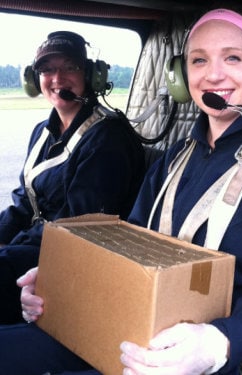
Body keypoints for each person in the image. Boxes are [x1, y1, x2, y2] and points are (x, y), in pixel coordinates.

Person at [0, 7, 242, 375]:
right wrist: (63, 279)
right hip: (139, 333)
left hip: (236, 358)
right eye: (199, 60)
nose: (213, 74)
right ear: (183, 76)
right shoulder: (176, 159)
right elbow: (125, 248)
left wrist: (219, 342)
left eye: (232, 57)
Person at [0, 31, 145, 324]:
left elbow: (81, 223)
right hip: (38, 244)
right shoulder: (42, 132)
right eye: (47, 69)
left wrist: (12, 243)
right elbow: (24, 201)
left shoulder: (108, 137)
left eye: (70, 67)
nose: (57, 78)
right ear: (34, 78)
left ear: (91, 75)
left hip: (77, 255)